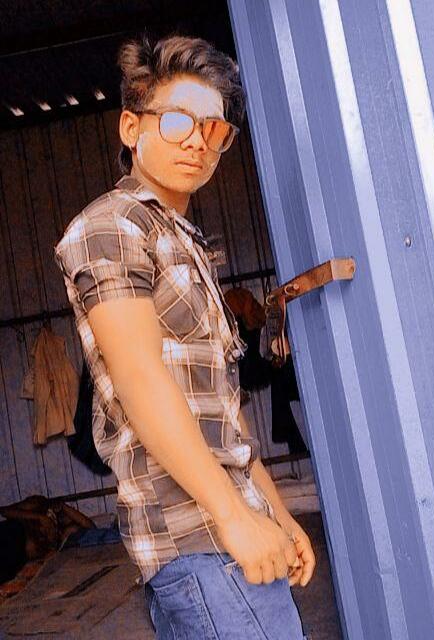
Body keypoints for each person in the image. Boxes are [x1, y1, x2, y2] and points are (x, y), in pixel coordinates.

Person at [53, 32, 315, 640]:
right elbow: (140, 380)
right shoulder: (111, 227)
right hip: (199, 539)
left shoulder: (182, 240)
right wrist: (234, 517)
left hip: (230, 530)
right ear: (130, 128)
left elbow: (222, 412)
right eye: (176, 121)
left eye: (214, 129)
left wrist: (274, 512)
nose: (197, 141)